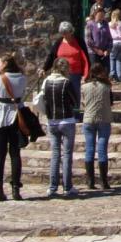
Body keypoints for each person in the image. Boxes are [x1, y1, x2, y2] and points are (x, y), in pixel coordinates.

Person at [0, 52, 27, 201]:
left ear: (5, 64)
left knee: (0, 154)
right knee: (15, 154)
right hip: (16, 118)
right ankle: (16, 188)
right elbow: (22, 97)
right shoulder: (22, 78)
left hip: (0, 119)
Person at [42, 57, 78, 197]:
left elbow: (44, 99)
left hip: (52, 120)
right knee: (67, 154)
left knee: (55, 154)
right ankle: (67, 187)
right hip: (67, 119)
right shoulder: (66, 82)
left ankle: (52, 187)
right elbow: (75, 101)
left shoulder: (47, 81)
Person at [80, 63, 114, 190]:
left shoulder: (84, 87)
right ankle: (104, 181)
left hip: (88, 118)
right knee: (102, 150)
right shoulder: (107, 86)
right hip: (104, 118)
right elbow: (111, 102)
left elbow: (82, 103)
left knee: (89, 149)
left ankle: (90, 181)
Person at [42, 21, 90, 109]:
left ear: (71, 31)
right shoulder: (58, 42)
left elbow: (85, 58)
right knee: (62, 94)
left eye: (66, 33)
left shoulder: (78, 41)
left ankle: (75, 114)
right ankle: (64, 112)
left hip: (75, 73)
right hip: (60, 73)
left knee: (75, 93)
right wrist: (44, 69)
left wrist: (86, 74)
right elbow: (52, 56)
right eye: (62, 33)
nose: (64, 35)